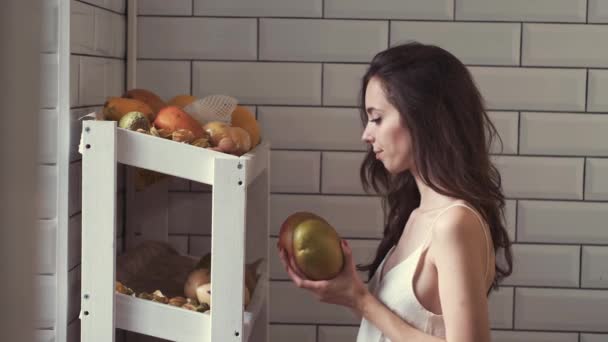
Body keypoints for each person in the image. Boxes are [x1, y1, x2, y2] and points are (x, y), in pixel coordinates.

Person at [278, 41, 513, 342]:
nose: (366, 134)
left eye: (376, 118)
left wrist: (362, 299)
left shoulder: (454, 224)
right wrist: (351, 294)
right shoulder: (418, 214)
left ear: (424, 116)